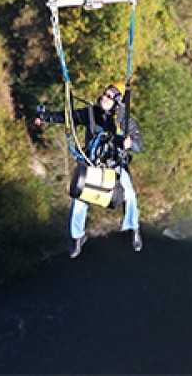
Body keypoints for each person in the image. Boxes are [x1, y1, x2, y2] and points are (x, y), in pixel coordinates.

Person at [34, 82, 144, 258]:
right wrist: (45, 117)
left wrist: (130, 144)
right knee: (79, 198)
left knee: (129, 193)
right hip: (93, 162)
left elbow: (139, 144)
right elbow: (67, 117)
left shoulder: (125, 120)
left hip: (114, 164)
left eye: (109, 96)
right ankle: (77, 237)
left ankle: (133, 228)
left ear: (116, 102)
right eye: (104, 94)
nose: (103, 97)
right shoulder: (90, 113)